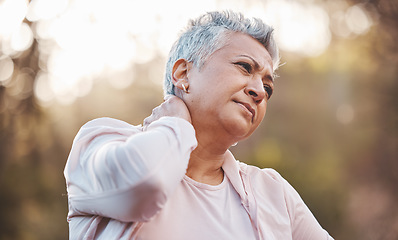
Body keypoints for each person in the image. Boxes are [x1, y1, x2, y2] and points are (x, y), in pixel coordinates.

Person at [64, 11, 334, 240]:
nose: (259, 92)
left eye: (267, 86)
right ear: (182, 74)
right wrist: (176, 121)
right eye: (244, 67)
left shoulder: (274, 193)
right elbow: (144, 187)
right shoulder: (99, 142)